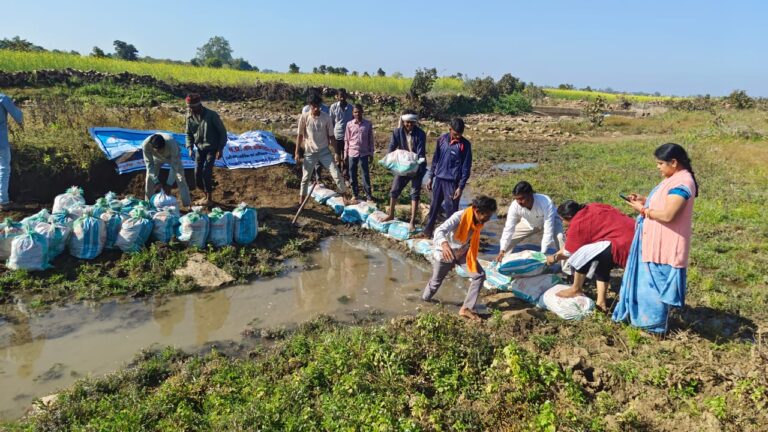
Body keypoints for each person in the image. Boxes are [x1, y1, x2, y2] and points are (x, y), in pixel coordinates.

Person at [612, 143, 699, 334]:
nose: (658, 167)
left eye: (660, 163)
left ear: (674, 162)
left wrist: (643, 210)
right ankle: (644, 321)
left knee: (654, 288)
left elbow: (669, 215)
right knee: (648, 285)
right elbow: (665, 203)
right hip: (653, 241)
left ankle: (653, 326)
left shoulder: (682, 183)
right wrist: (645, 200)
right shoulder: (674, 178)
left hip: (665, 246)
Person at [545, 200, 635, 312]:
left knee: (582, 255)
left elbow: (569, 252)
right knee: (602, 260)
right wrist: (555, 255)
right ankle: (601, 302)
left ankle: (576, 288)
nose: (562, 222)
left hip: (622, 242)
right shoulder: (591, 208)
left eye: (563, 220)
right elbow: (571, 246)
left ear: (569, 216)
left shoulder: (578, 224)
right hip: (634, 233)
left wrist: (553, 258)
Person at [422, 195, 497, 322]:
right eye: (486, 216)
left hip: (462, 252)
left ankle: (466, 308)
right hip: (446, 253)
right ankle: (424, 301)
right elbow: (439, 230)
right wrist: (444, 244)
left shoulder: (478, 221)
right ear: (478, 211)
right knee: (435, 283)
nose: (487, 220)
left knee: (479, 275)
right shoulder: (459, 216)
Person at [422, 117, 472, 238]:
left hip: (452, 183)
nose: (458, 137)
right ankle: (427, 232)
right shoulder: (441, 140)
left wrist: (460, 187)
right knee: (434, 207)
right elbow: (435, 159)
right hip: (439, 179)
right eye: (455, 134)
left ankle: (452, 238)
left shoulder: (465, 145)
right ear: (450, 129)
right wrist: (431, 177)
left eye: (460, 134)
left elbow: (466, 168)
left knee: (451, 212)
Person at [296, 94, 348, 205]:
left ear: (320, 106)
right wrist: (296, 152)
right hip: (310, 152)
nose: (316, 109)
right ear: (310, 106)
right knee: (305, 178)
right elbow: (300, 136)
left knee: (336, 174)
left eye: (318, 106)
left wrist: (337, 153)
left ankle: (345, 197)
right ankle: (301, 202)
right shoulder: (304, 117)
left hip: (324, 152)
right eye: (313, 106)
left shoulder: (326, 117)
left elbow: (331, 137)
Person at [382, 111, 427, 231]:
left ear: (415, 122)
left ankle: (412, 221)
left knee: (414, 193)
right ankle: (391, 214)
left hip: (417, 166)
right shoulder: (397, 132)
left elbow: (420, 152)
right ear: (403, 122)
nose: (410, 125)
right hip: (403, 165)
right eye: (407, 123)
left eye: (412, 123)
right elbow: (392, 146)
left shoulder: (421, 134)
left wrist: (415, 162)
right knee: (394, 190)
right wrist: (389, 159)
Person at [496, 181, 564, 261]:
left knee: (560, 238)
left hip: (552, 221)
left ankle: (566, 269)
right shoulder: (514, 206)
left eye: (521, 198)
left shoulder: (545, 202)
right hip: (529, 222)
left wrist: (542, 253)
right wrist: (502, 249)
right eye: (516, 199)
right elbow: (508, 228)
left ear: (531, 194)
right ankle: (502, 261)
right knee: (509, 240)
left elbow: (548, 230)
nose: (519, 202)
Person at [184, 93, 228, 206]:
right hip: (199, 148)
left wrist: (220, 149)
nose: (191, 109)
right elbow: (188, 133)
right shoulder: (189, 116)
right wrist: (189, 147)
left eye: (193, 107)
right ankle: (205, 195)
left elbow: (222, 132)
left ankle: (209, 198)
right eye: (189, 107)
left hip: (212, 148)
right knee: (197, 173)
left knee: (206, 172)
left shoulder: (212, 115)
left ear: (199, 105)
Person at [141, 133, 192, 209]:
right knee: (149, 177)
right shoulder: (145, 145)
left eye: (162, 150)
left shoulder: (171, 143)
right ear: (152, 147)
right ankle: (148, 203)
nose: (160, 152)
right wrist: (156, 181)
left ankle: (187, 204)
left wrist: (169, 184)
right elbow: (149, 165)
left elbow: (174, 166)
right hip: (156, 159)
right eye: (158, 150)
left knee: (180, 178)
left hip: (172, 158)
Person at [344, 104, 375, 202]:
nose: (357, 114)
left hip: (364, 153)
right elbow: (347, 140)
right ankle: (355, 194)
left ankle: (368, 196)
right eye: (355, 112)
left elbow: (371, 140)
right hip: (352, 153)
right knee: (352, 174)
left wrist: (371, 153)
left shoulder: (368, 124)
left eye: (359, 111)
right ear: (353, 113)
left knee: (365, 175)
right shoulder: (349, 124)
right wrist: (345, 153)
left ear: (362, 111)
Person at [0, 93, 23, 211]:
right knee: (4, 169)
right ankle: (3, 201)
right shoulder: (2, 98)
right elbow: (18, 116)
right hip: (1, 142)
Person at [329, 88, 354, 177]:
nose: (342, 98)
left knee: (346, 155)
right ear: (337, 97)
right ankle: (338, 173)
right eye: (340, 96)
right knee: (337, 154)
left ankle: (346, 173)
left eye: (343, 96)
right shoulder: (333, 107)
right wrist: (330, 136)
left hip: (348, 136)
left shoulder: (351, 107)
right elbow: (331, 122)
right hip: (337, 135)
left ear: (346, 96)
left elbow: (353, 121)